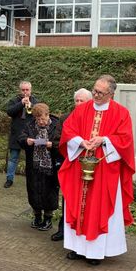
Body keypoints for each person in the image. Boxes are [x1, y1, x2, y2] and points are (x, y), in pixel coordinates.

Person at [58, 75, 135, 266]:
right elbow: (68, 130)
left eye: (101, 92)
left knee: (98, 206)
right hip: (79, 166)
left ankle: (95, 252)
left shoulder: (121, 113)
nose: (96, 94)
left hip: (105, 170)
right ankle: (77, 248)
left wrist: (105, 140)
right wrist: (79, 141)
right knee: (77, 204)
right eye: (94, 90)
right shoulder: (82, 109)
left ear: (111, 93)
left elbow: (125, 140)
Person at [50, 88, 93, 241]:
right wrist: (74, 146)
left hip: (90, 167)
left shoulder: (94, 120)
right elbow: (56, 141)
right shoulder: (66, 118)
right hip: (69, 163)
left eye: (82, 101)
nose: (79, 104)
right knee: (68, 197)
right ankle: (64, 229)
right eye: (77, 100)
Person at [18, 103, 60, 231]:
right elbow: (20, 138)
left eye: (43, 119)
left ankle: (48, 219)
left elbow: (62, 143)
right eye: (38, 119)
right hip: (34, 166)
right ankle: (37, 216)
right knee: (34, 190)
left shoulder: (56, 126)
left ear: (48, 115)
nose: (41, 122)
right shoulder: (30, 125)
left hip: (50, 167)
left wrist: (52, 145)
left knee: (50, 192)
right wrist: (26, 141)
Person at [5, 81, 40, 188]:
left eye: (27, 90)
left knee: (31, 159)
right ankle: (9, 180)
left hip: (30, 134)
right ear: (20, 90)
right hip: (17, 134)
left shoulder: (35, 101)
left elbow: (39, 114)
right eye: (23, 90)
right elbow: (9, 112)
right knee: (13, 158)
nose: (25, 92)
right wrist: (21, 103)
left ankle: (32, 180)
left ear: (31, 90)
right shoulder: (14, 100)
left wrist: (31, 106)